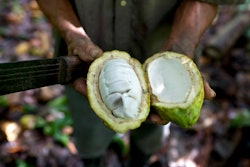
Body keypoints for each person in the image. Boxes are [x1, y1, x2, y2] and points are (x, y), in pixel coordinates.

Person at [35, 0, 245, 166]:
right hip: (83, 62)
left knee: (150, 134)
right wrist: (72, 34)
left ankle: (139, 161)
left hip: (161, 45)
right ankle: (93, 161)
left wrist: (184, 40)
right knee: (90, 135)